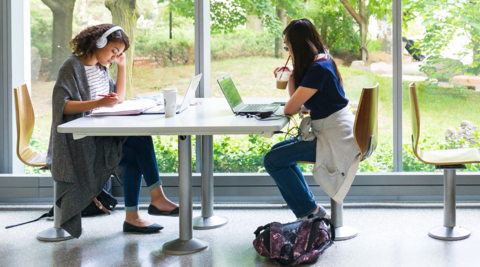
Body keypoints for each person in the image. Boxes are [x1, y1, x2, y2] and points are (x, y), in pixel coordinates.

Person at [47, 24, 178, 237]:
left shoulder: (100, 68)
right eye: (114, 51)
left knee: (141, 139)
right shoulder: (72, 66)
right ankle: (146, 206)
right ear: (98, 43)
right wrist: (97, 104)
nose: (115, 56)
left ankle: (145, 208)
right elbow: (61, 106)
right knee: (138, 149)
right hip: (79, 142)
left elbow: (117, 99)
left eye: (119, 53)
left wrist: (122, 67)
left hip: (98, 135)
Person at [264, 19, 360, 221]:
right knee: (276, 154)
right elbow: (300, 105)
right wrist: (291, 77)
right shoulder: (323, 60)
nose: (287, 49)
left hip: (335, 138)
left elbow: (291, 107)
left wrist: (290, 80)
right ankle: (311, 210)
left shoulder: (318, 69)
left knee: (273, 161)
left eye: (287, 45)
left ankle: (310, 213)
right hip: (336, 130)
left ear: (297, 45)